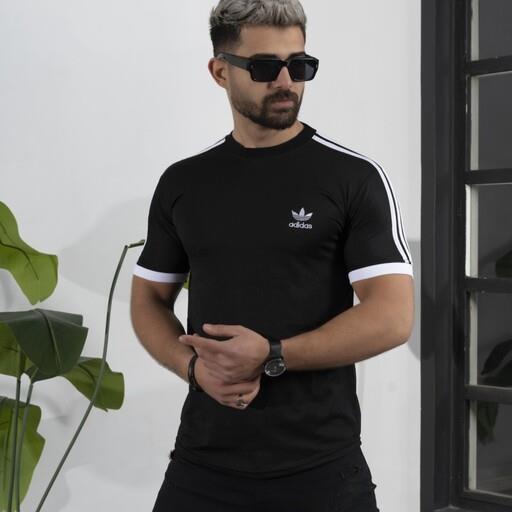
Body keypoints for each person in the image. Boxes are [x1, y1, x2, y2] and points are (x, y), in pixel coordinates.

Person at [130, 0, 414, 510]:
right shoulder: (184, 182)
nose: (286, 82)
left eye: (299, 65)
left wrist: (273, 354)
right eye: (265, 67)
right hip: (203, 463)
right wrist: (192, 368)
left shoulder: (352, 178)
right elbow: (149, 298)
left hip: (322, 469)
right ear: (221, 72)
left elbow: (392, 317)